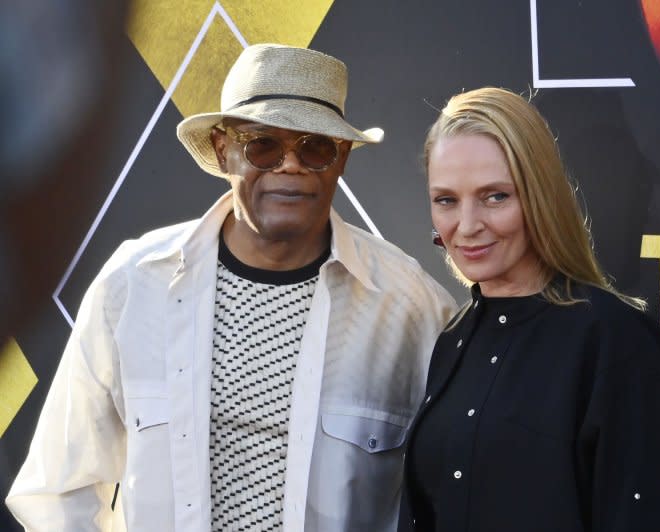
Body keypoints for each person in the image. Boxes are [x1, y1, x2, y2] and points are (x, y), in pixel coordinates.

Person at [6, 43, 456, 532]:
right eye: (263, 144)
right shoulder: (132, 286)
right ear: (223, 150)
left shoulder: (412, 307)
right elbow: (57, 491)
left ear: (341, 158)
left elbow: (454, 491)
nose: (290, 165)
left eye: (315, 146)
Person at [398, 87, 660, 531]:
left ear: (540, 197)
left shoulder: (616, 344)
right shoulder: (454, 338)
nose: (468, 224)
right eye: (446, 200)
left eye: (495, 196)